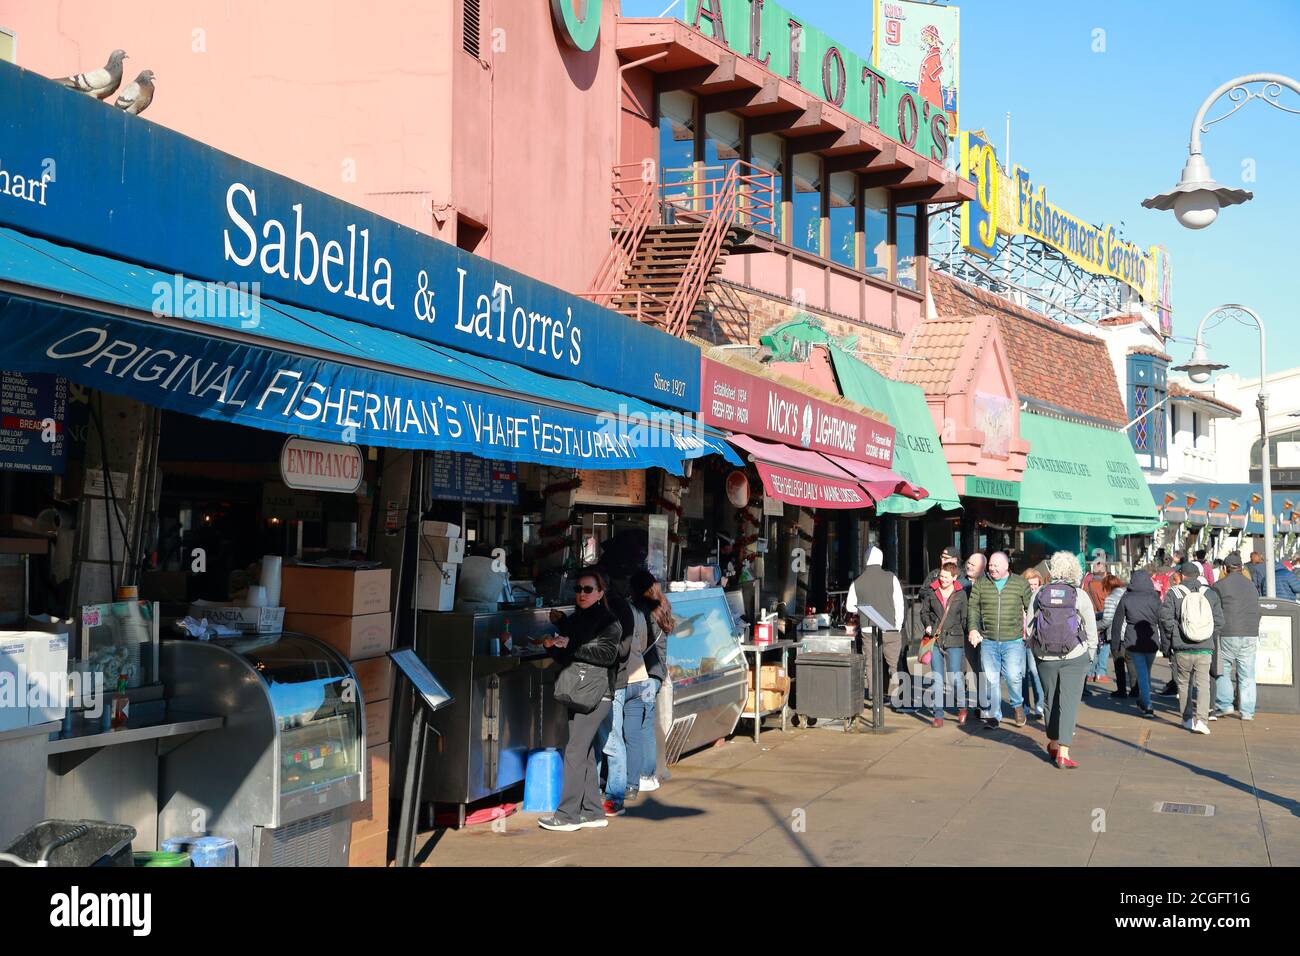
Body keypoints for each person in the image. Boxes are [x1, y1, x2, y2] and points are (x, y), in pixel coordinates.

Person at [538, 569, 623, 831]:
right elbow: (570, 653)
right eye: (578, 589)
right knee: (583, 751)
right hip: (579, 691)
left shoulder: (609, 621)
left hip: (598, 693)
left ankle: (567, 815)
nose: (581, 594)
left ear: (600, 593)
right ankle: (593, 811)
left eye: (588, 589)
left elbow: (608, 654)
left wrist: (570, 645)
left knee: (575, 751)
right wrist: (554, 645)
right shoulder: (579, 618)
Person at [1027, 551, 1098, 768]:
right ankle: (1064, 754)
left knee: (1049, 700)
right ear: (1074, 570)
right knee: (1069, 703)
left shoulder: (1039, 593)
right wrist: (1090, 655)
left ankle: (1054, 742)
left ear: (1052, 570)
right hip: (1074, 655)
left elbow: (1030, 625)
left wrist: (1037, 652)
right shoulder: (1079, 595)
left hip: (1045, 656)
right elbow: (1092, 629)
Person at [966, 551, 1032, 728]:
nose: (992, 569)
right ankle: (995, 715)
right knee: (991, 679)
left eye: (996, 566)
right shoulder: (981, 583)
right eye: (990, 566)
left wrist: (1031, 632)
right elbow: (973, 608)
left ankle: (1017, 705)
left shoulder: (1020, 584)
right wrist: (973, 628)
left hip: (1013, 640)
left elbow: (1031, 608)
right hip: (988, 640)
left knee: (1013, 676)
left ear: (1006, 566)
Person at [1159, 562, 1224, 735]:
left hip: (1182, 648)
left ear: (1181, 574)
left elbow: (1165, 619)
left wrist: (1176, 634)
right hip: (1205, 648)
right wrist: (1206, 635)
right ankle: (1202, 721)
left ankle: (1187, 719)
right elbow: (1219, 621)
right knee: (1203, 684)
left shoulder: (1174, 593)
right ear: (1198, 575)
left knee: (1184, 683)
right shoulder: (1210, 593)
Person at [592, 573, 635, 815]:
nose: (582, 594)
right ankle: (593, 791)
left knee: (611, 738)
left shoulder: (619, 609)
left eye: (588, 589)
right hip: (593, 683)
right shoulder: (592, 609)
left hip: (613, 682)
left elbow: (622, 650)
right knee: (597, 740)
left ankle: (615, 796)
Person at [627, 570, 673, 798]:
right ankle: (650, 773)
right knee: (648, 723)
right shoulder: (663, 605)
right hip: (657, 673)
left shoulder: (641, 612)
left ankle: (644, 775)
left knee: (641, 726)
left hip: (644, 674)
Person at [848, 545, 904, 706]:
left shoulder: (858, 581)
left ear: (865, 560)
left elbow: (849, 606)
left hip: (867, 627)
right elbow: (899, 603)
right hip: (890, 627)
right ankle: (895, 696)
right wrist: (898, 625)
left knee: (871, 663)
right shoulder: (891, 578)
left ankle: (875, 696)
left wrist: (864, 610)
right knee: (893, 663)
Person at [1211, 552, 1261, 722]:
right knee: (1247, 674)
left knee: (1223, 669)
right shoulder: (1251, 585)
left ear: (1225, 568)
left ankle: (1225, 704)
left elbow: (1214, 610)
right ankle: (1247, 712)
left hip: (1228, 632)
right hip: (1250, 633)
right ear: (1241, 568)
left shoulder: (1219, 586)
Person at [920, 559, 968, 727]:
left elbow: (965, 618)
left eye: (947, 577)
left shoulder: (961, 594)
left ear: (954, 578)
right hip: (935, 638)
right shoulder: (932, 592)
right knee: (938, 679)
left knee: (955, 677)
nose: (943, 579)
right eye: (941, 576)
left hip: (955, 639)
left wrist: (969, 634)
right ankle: (938, 714)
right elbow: (924, 611)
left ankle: (962, 706)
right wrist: (927, 624)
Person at [1111, 569, 1162, 715]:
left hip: (1133, 640)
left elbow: (1117, 622)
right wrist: (1166, 642)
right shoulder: (1155, 598)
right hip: (1152, 640)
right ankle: (1144, 700)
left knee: (1142, 673)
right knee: (1146, 672)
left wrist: (1115, 644)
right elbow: (1162, 620)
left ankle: (1148, 704)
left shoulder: (1126, 598)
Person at [1020, 567, 1047, 719]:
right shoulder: (1018, 597)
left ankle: (1040, 705)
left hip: (1034, 640)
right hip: (1018, 639)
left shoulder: (1042, 599)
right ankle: (1024, 706)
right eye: (1030, 585)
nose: (1033, 588)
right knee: (1021, 673)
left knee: (1034, 671)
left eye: (1035, 585)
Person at [1082, 557, 1110, 687]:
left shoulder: (1088, 584)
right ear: (1105, 572)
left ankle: (1091, 673)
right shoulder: (1106, 585)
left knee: (1092, 644)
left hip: (1090, 617)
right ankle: (1101, 672)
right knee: (1104, 645)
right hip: (1104, 617)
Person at [1099, 573, 1128, 696]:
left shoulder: (1111, 599)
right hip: (1129, 633)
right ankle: (1135, 690)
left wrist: (1095, 626)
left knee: (1119, 663)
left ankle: (1121, 690)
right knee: (1131, 663)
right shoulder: (1128, 594)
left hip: (1116, 634)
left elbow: (1107, 620)